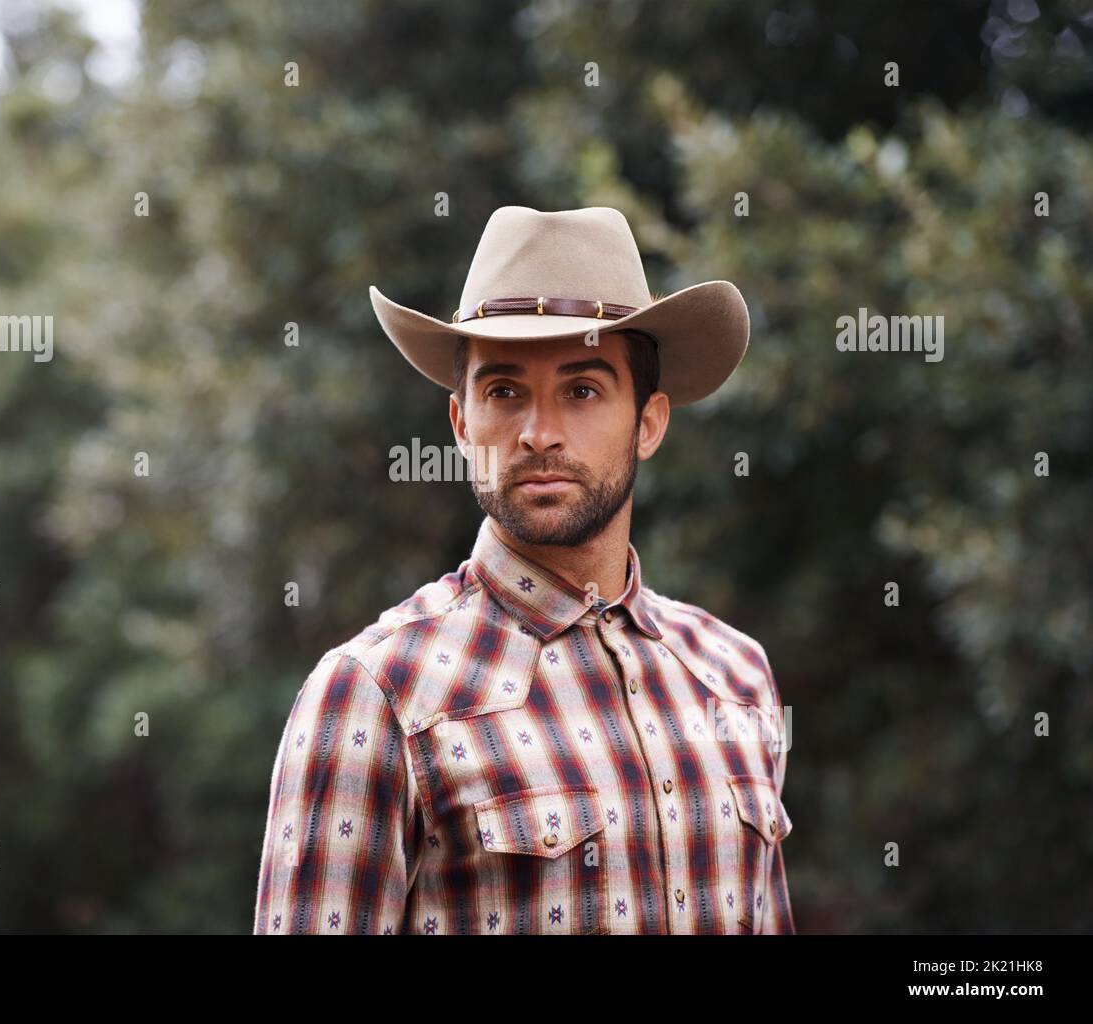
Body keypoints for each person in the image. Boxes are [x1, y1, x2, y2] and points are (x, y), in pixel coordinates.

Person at [253, 206, 795, 934]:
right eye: (504, 392)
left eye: (582, 390)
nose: (539, 433)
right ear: (461, 426)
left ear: (650, 422)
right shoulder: (376, 697)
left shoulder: (736, 677)